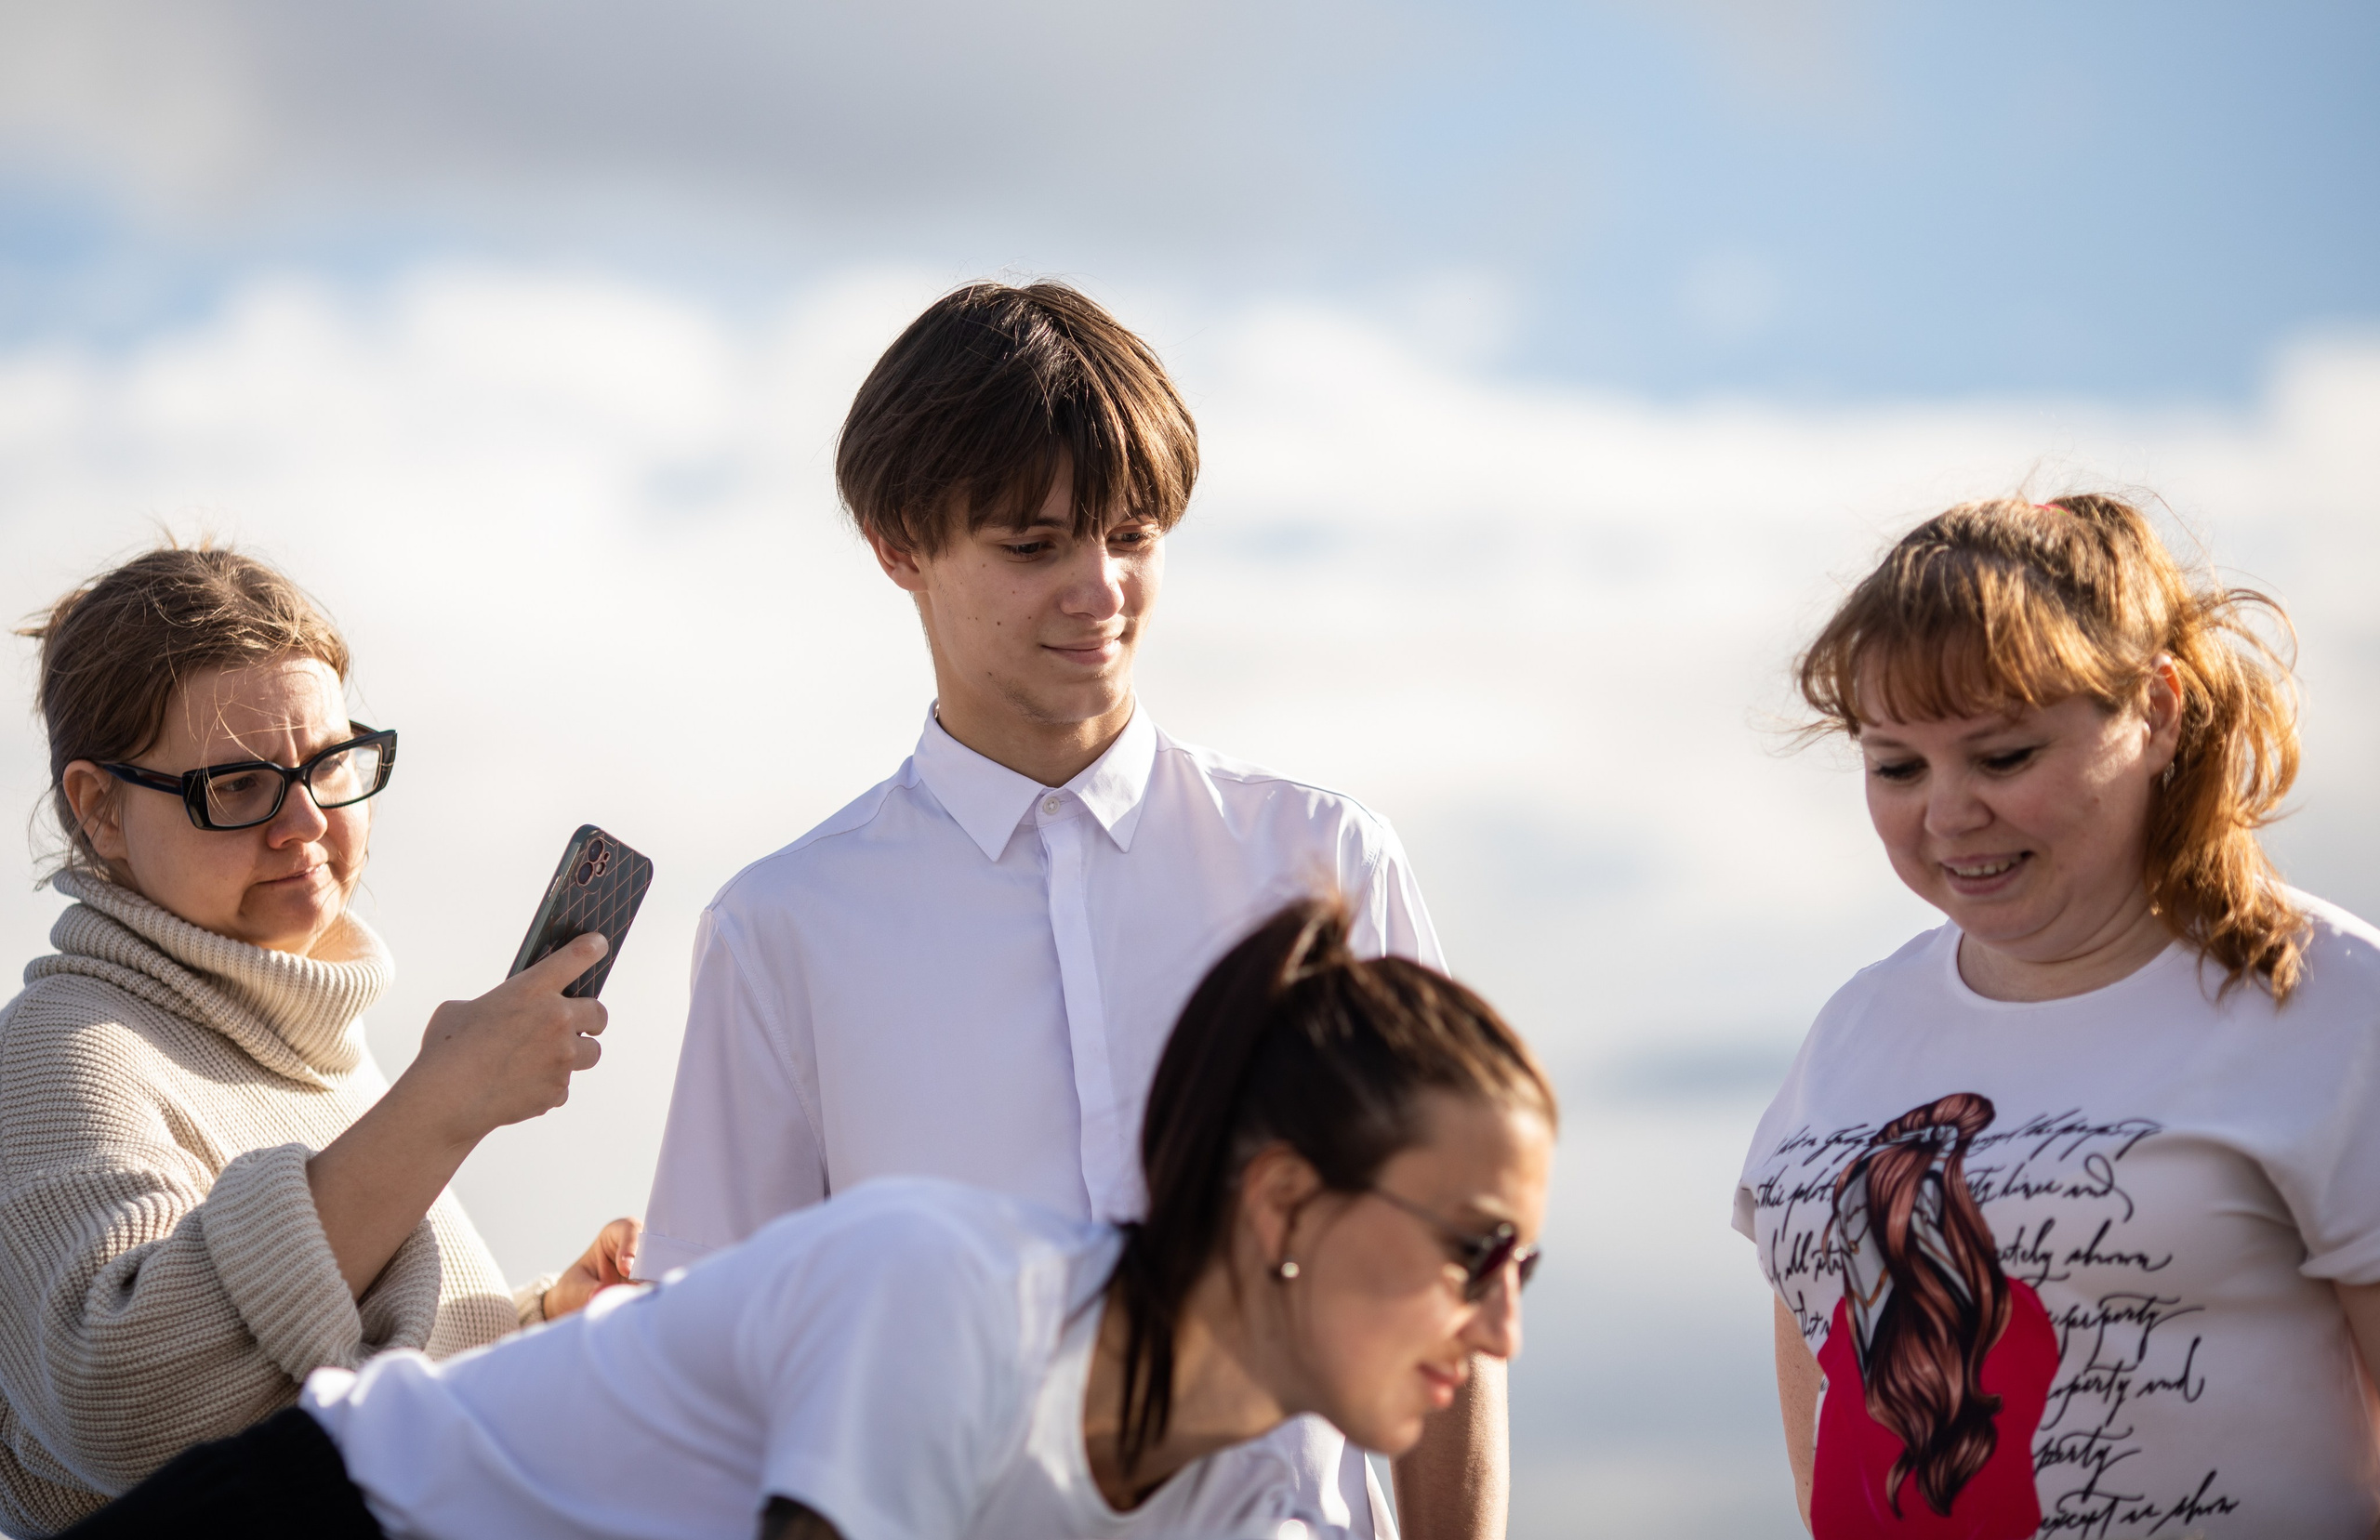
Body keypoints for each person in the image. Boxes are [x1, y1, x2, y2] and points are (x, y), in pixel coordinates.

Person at [638, 282, 1494, 1536]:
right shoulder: (783, 928)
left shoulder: (1324, 863)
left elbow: (1452, 1286)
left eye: (1134, 535)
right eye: (1033, 547)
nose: (1100, 590)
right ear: (898, 546)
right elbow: (717, 1373)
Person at [60, 898, 1556, 1540]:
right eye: (1473, 1250)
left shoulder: (1228, 1477)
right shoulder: (956, 1293)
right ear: (1287, 1197)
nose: (1501, 1327)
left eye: (1529, 1268)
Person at [1735, 494, 2380, 1536]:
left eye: (2002, 757)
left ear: (2157, 713)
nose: (1946, 813)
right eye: (1895, 765)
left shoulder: (2330, 999)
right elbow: (1826, 1382)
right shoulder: (1855, 1023)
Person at [0, 546, 639, 1535]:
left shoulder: (312, 1048)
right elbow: (122, 1403)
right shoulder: (62, 1048)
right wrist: (441, 1103)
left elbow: (367, 1402)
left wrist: (542, 1319)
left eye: (329, 765)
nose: (304, 821)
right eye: (239, 785)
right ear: (100, 809)